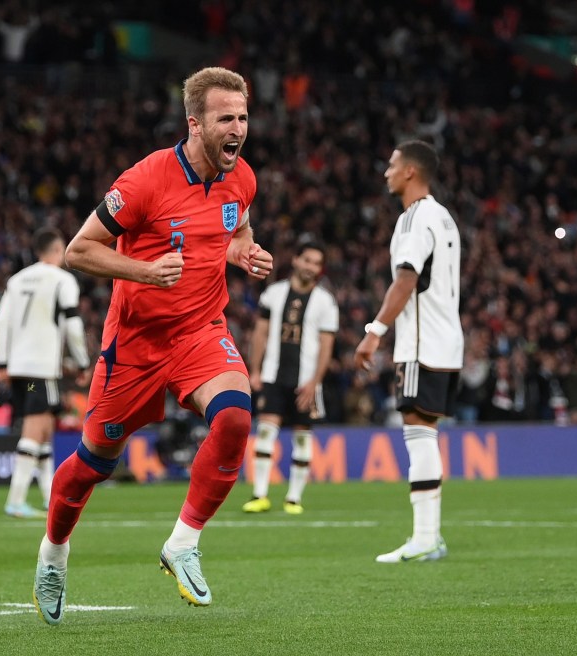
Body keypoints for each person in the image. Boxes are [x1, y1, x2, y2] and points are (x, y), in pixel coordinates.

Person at [31, 66, 273, 625]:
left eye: (243, 117)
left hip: (200, 332)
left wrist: (245, 253)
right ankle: (53, 553)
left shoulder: (243, 179)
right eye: (225, 119)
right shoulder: (145, 180)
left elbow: (235, 231)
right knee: (93, 464)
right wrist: (143, 271)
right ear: (195, 123)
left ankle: (183, 543)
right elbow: (78, 251)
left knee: (236, 419)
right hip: (135, 345)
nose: (238, 128)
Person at [354, 140, 463, 563]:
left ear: (411, 172)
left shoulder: (414, 219)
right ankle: (429, 536)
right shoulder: (444, 217)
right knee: (425, 434)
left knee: (417, 434)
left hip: (421, 343)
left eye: (392, 164)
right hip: (447, 340)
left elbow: (406, 280)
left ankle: (424, 538)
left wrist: (374, 331)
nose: (386, 171)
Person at [0, 227, 91, 519]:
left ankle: (52, 498)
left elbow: (1, 322)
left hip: (17, 367)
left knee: (46, 430)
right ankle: (16, 499)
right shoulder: (62, 280)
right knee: (35, 430)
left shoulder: (16, 280)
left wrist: (1, 363)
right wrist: (83, 362)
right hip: (40, 368)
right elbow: (73, 327)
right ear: (59, 250)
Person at [243, 242, 338, 515]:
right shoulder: (274, 293)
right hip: (273, 375)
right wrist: (256, 370)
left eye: (316, 263)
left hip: (305, 381)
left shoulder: (325, 302)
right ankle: (260, 494)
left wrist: (315, 382)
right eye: (307, 260)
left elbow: (326, 345)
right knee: (264, 432)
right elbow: (260, 333)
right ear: (296, 260)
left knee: (302, 439)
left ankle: (293, 499)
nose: (310, 267)